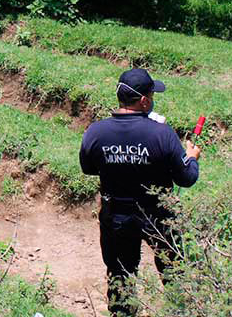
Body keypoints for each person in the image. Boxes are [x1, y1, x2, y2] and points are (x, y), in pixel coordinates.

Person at [79, 68, 201, 316]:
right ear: (144, 100)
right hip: (158, 217)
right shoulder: (162, 134)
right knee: (173, 273)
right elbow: (186, 178)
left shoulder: (95, 132)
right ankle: (179, 311)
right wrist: (192, 158)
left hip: (116, 217)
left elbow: (88, 168)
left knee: (120, 277)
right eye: (152, 94)